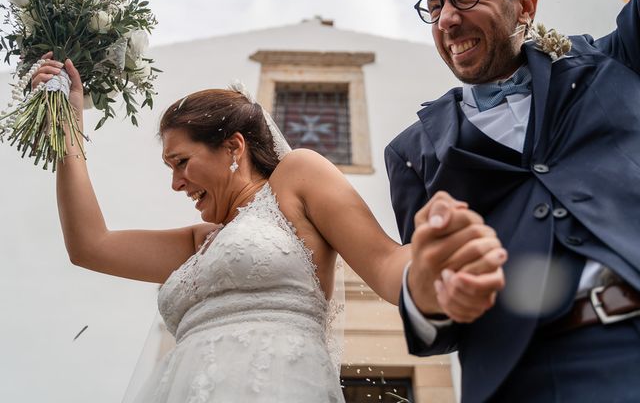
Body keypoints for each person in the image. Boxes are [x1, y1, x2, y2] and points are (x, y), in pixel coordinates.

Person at [31, 52, 502, 402]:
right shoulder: (200, 242)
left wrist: (433, 262)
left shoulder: (298, 176)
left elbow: (383, 261)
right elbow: (90, 245)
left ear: (233, 146)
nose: (175, 183)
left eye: (181, 162)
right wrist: (65, 123)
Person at [385, 0, 640, 403]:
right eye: (434, 5)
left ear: (524, 4)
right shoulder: (410, 151)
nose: (447, 19)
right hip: (530, 373)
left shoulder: (615, 60)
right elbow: (433, 308)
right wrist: (438, 296)